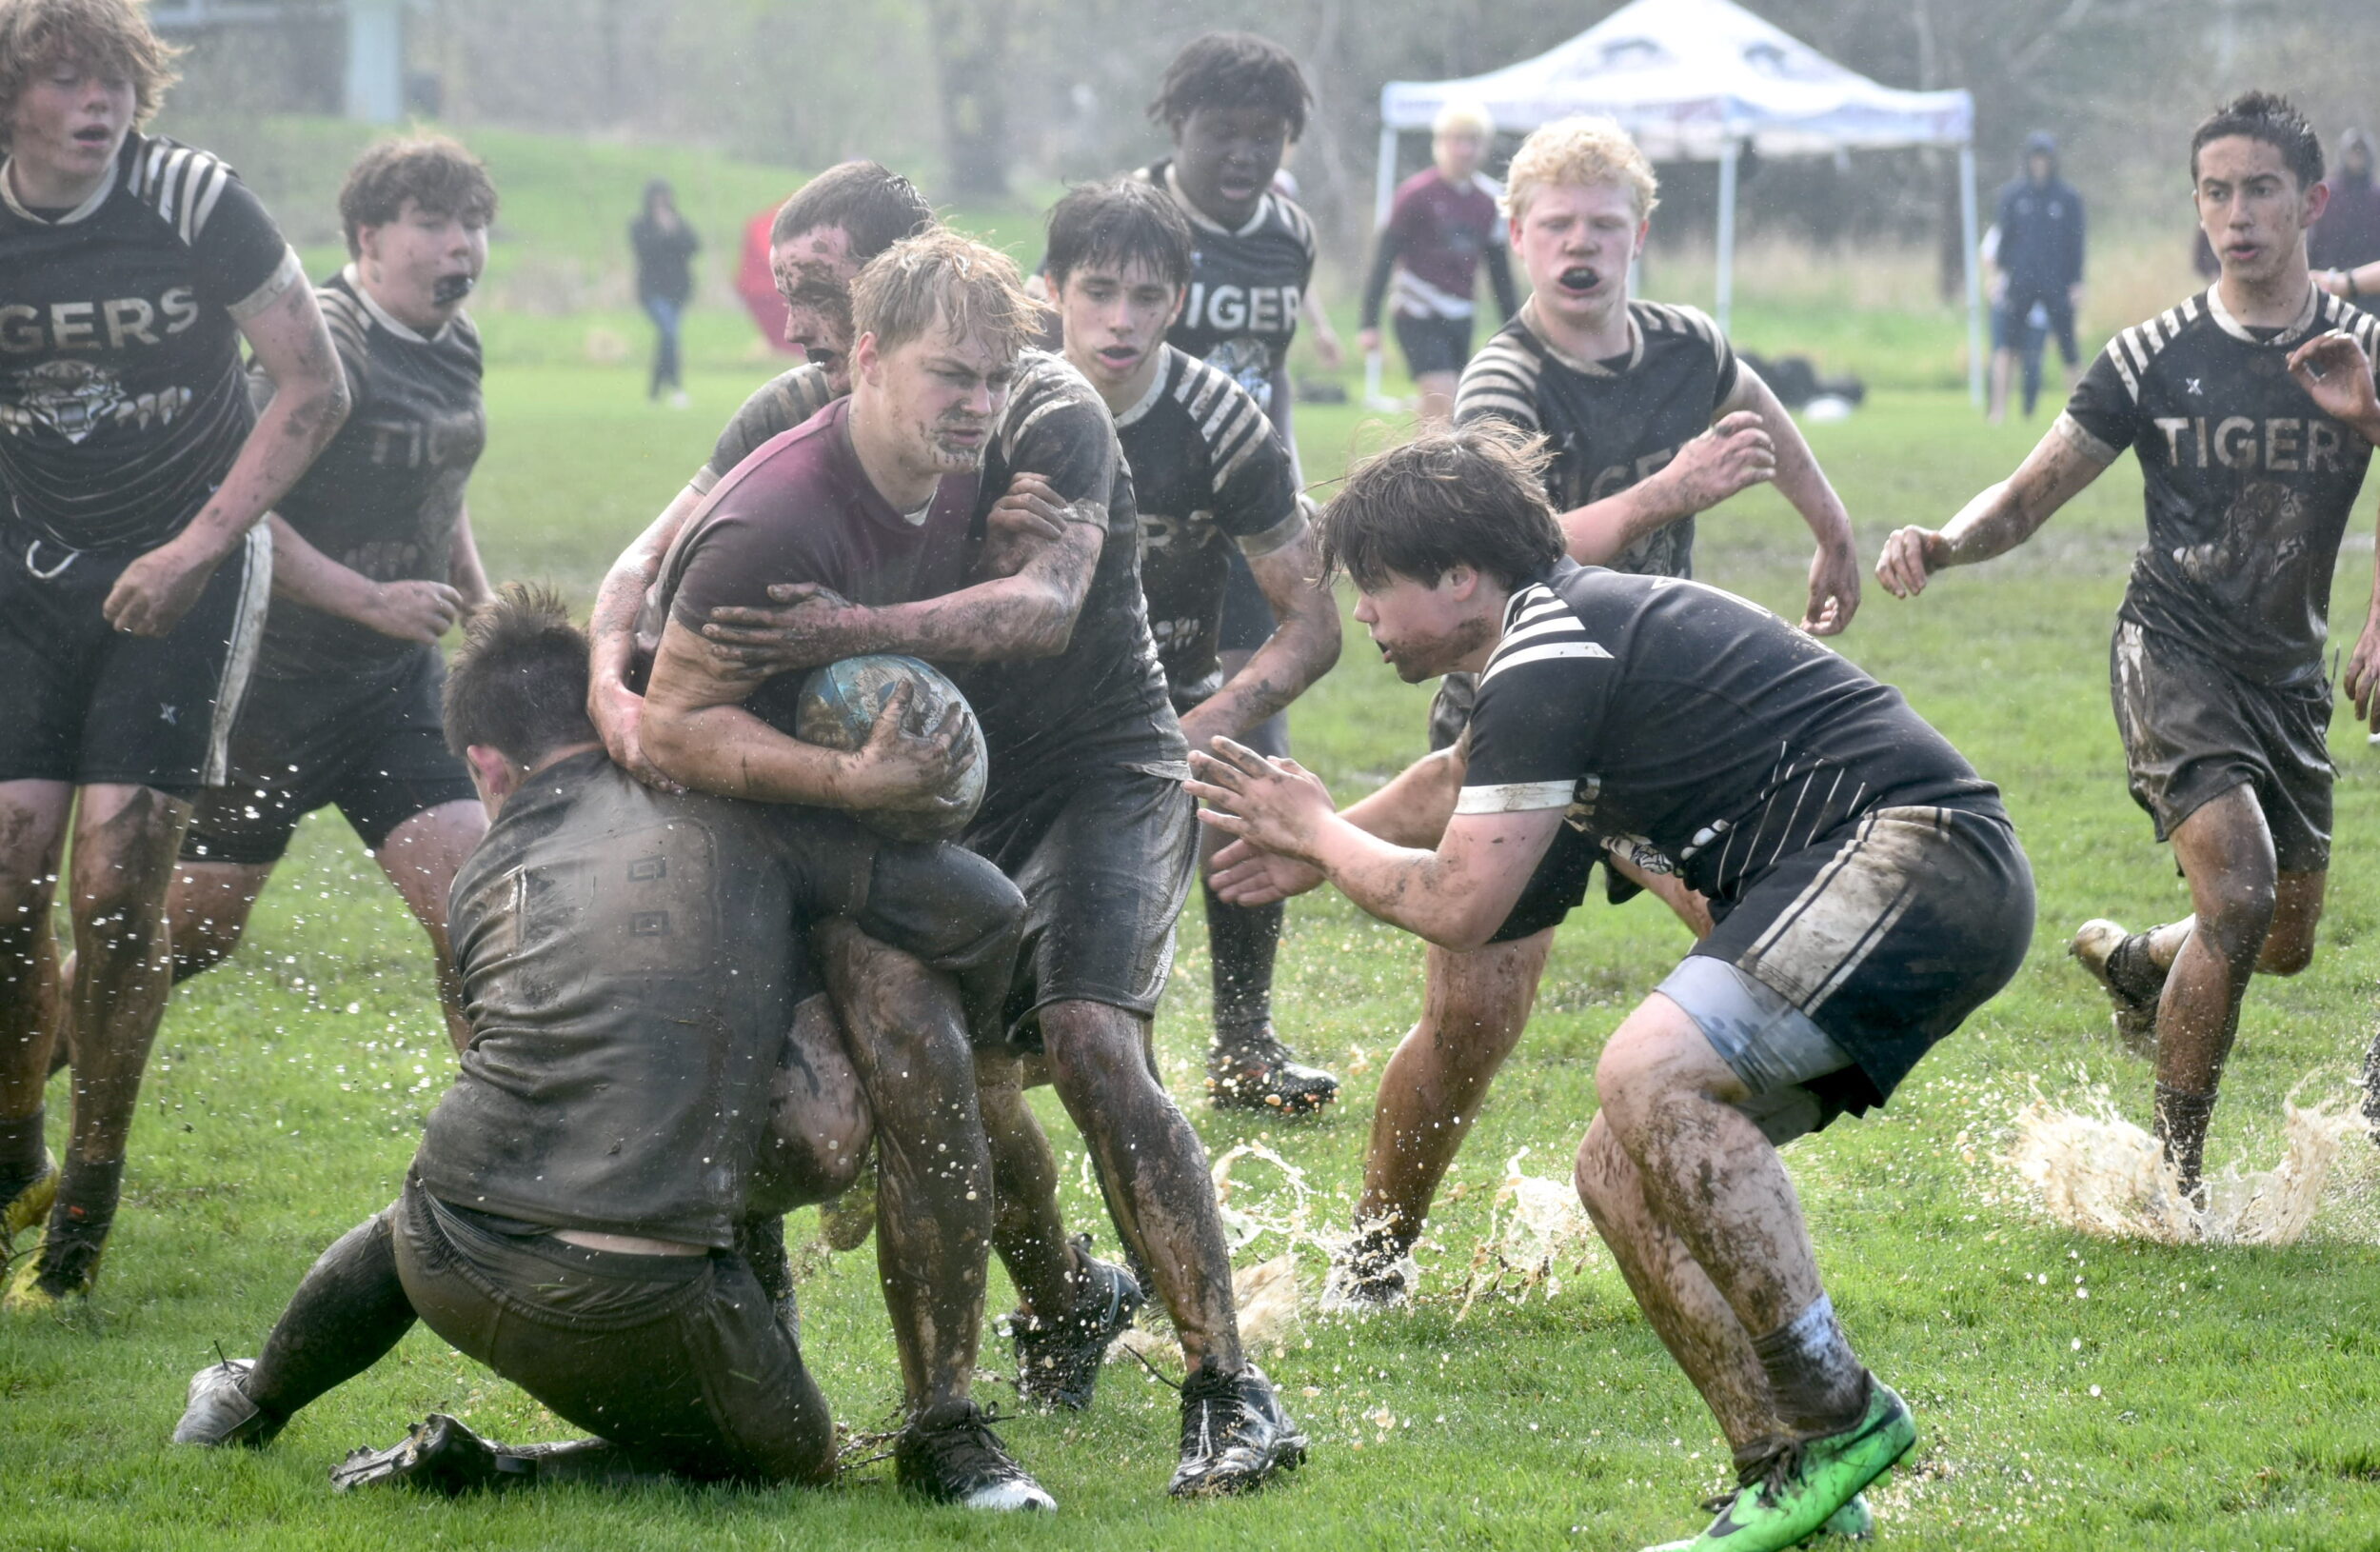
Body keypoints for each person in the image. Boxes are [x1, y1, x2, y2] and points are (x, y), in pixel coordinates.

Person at [1194, 424, 2032, 1552]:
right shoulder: (1545, 640)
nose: (1369, 619)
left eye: (1376, 589)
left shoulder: (1553, 644)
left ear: (1459, 578)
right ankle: (1786, 1480)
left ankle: (1838, 1413)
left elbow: (1459, 903)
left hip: (1920, 853)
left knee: (1647, 1071)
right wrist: (1326, 840)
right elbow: (1455, 779)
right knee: (1617, 1167)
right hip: (1905, 870)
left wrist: (1317, 834)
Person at [644, 229, 1309, 1498]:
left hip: (1107, 765)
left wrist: (846, 626)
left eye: (997, 374)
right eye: (956, 376)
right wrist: (624, 679)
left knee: (1092, 1038)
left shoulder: (1054, 416)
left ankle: (1233, 1388)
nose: (981, 403)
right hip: (932, 794)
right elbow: (669, 639)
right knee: (933, 1069)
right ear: (865, 352)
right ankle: (966, 1390)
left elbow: (1046, 608)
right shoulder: (795, 454)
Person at [172, 587, 1053, 1508]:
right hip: (634, 1302)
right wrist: (948, 1039)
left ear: (488, 764)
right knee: (798, 1460)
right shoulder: (740, 806)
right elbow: (988, 910)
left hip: (443, 1259)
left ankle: (248, 1399)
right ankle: (507, 1471)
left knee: (459, 1174)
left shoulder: (478, 880)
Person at [1318, 115, 1864, 1308]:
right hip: (1519, 713)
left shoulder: (1686, 344)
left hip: (1666, 729)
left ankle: (1719, 1218)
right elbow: (1492, 555)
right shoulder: (1503, 381)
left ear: (1640, 235)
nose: (1579, 246)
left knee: (1749, 950)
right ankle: (1374, 1255)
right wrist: (1667, 491)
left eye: (1602, 226)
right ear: (1515, 236)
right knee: (1473, 1018)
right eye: (1555, 225)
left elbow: (1758, 410)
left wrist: (1829, 526)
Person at [1878, 92, 2380, 1194]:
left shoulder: (2363, 351)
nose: (2235, 215)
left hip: (2288, 677)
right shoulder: (2152, 354)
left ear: (2312, 202)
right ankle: (2177, 1185)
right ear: (2195, 204)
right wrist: (1943, 541)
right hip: (2172, 653)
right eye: (2214, 192)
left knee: (2283, 937)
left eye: (2258, 190)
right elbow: (2022, 498)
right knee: (2239, 896)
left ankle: (2138, 960)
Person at [0, 0, 349, 1310]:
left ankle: (84, 1208)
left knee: (111, 882)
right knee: (8, 869)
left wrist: (198, 546)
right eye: (63, 79)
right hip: (30, 569)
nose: (98, 104)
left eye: (116, 78)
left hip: (188, 560)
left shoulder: (196, 201)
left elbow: (314, 387)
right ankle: (13, 1156)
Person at [166, 134, 496, 1058]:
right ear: (368, 235)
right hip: (268, 690)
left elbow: (441, 483)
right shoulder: (322, 339)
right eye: (430, 224)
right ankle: (14, 1106)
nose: (459, 247)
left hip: (392, 690)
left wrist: (480, 602)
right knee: (185, 938)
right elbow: (233, 507)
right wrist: (367, 596)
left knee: (478, 925)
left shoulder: (455, 341)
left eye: (473, 225)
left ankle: (499, 1161)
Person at [1044, 179, 1344, 1112]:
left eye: (1146, 297)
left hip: (1167, 693)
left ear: (1181, 300)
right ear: (1050, 286)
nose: (1119, 320)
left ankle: (1244, 1040)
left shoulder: (1224, 424)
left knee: (1244, 782)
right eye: (1097, 290)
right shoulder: (998, 396)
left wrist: (1209, 721)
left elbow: (1313, 620)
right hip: (1017, 696)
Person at [1135, 30, 1341, 1108]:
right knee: (1112, 769)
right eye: (1223, 133)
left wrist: (1289, 496)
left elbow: (1269, 379)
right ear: (1176, 127)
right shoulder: (1128, 227)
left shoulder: (1289, 238)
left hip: (1240, 536)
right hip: (1128, 531)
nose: (1243, 156)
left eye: (1266, 138)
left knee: (1244, 769)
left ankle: (1243, 1040)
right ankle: (1095, 1030)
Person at [1358, 101, 1520, 426]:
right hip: (1418, 311)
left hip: (1460, 314)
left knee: (1451, 409)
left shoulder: (1490, 201)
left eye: (1472, 141)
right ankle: (1429, 475)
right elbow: (1384, 257)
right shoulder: (1415, 195)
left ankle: (1422, 471)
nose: (1464, 149)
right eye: (1456, 140)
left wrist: (1515, 330)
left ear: (1484, 146)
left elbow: (1500, 274)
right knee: (1441, 400)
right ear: (1440, 143)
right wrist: (1368, 323)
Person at [1987, 132, 2087, 425]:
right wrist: (1998, 276)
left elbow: (2076, 243)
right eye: (2035, 157)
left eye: (2045, 157)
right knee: (2007, 345)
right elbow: (2004, 240)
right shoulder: (2013, 196)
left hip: (2057, 281)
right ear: (2028, 160)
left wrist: (2077, 281)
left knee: (2069, 348)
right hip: (2020, 281)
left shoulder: (2067, 198)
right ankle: (1998, 412)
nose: (2040, 163)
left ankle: (2079, 416)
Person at [629, 178, 698, 407]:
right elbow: (644, 251)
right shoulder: (640, 226)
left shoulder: (678, 223)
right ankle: (677, 387)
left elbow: (693, 246)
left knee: (666, 339)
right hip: (652, 291)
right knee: (669, 334)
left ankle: (654, 393)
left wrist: (673, 231)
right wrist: (661, 234)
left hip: (677, 290)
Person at [2310, 128, 2380, 308]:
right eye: (2353, 152)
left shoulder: (2376, 196)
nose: (2356, 158)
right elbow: (2316, 237)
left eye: (2360, 153)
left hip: (2371, 291)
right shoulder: (2329, 194)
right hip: (2329, 283)